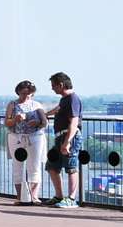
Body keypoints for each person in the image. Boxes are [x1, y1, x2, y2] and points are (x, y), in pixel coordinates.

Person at [5, 80, 47, 204]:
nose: (26, 96)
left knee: (34, 166)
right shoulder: (12, 105)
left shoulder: (37, 105)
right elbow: (7, 123)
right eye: (23, 93)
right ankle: (20, 197)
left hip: (35, 137)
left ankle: (34, 196)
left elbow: (44, 122)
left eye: (29, 94)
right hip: (16, 137)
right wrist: (15, 120)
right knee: (17, 166)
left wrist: (37, 123)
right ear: (18, 92)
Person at [44, 72, 82, 207]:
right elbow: (58, 109)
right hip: (60, 136)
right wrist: (46, 114)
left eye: (53, 85)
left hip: (69, 137)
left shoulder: (73, 99)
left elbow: (74, 122)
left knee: (71, 167)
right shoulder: (64, 99)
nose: (52, 88)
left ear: (61, 85)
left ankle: (71, 198)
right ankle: (59, 196)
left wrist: (67, 142)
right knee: (51, 166)